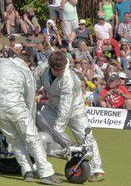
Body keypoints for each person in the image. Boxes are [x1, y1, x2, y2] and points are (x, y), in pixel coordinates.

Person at [0, 53, 57, 183]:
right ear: (27, 63)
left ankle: (27, 171)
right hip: (16, 106)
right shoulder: (27, 73)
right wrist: (31, 119)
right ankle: (46, 173)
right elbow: (30, 102)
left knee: (15, 140)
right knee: (32, 138)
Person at [36, 49, 104, 181]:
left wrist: (57, 132)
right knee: (37, 129)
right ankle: (36, 162)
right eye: (58, 70)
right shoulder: (43, 67)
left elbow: (65, 109)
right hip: (52, 105)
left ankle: (97, 169)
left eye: (62, 69)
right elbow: (34, 81)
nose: (61, 72)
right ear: (51, 67)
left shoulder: (68, 79)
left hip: (75, 109)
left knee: (85, 137)